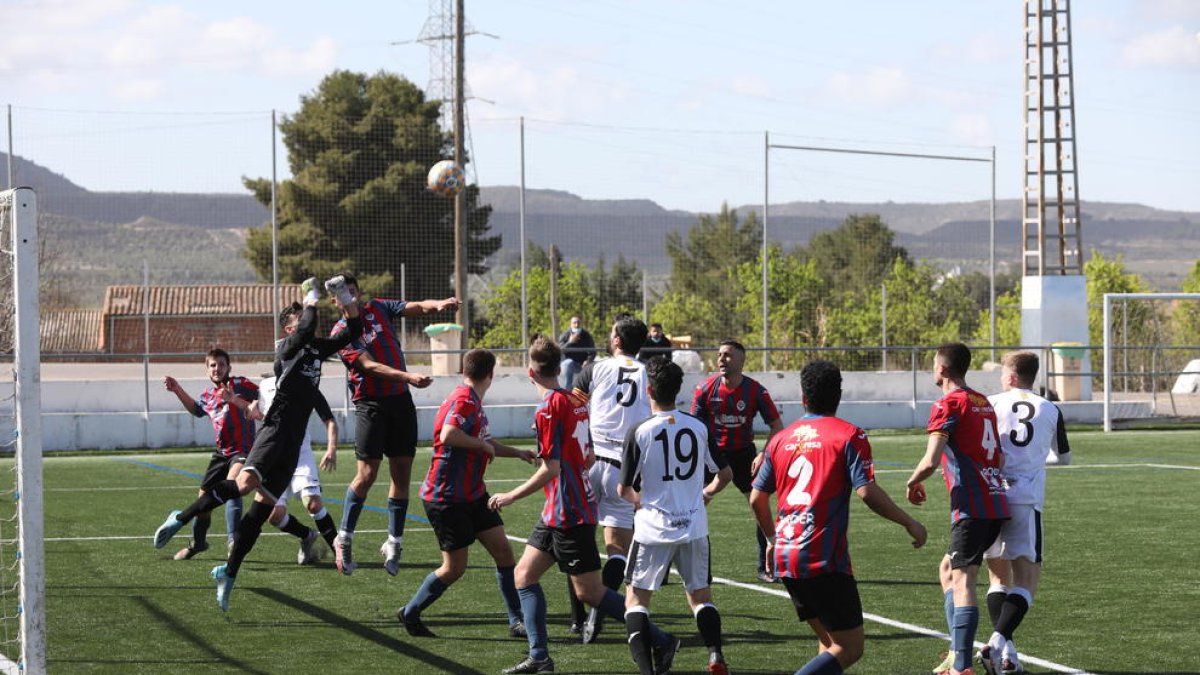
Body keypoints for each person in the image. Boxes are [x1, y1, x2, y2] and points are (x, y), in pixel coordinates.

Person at [154, 276, 362, 610]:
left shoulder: (315, 349)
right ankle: (181, 517)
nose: (303, 317)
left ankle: (230, 574)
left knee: (260, 512)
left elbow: (352, 330)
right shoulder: (286, 349)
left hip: (292, 444)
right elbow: (308, 326)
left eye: (302, 312)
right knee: (243, 484)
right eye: (295, 316)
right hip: (274, 431)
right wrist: (310, 297)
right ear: (287, 328)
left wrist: (343, 296)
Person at [488, 336, 677, 675]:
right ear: (557, 369)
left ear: (530, 372)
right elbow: (585, 456)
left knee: (589, 591)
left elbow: (552, 468)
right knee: (524, 576)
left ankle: (661, 639)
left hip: (568, 511)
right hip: (561, 509)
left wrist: (510, 496)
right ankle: (540, 657)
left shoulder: (548, 407)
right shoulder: (574, 402)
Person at [750, 359, 926, 675]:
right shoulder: (848, 436)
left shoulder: (780, 439)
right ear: (839, 395)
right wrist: (909, 522)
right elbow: (867, 492)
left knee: (831, 642)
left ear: (804, 397)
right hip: (822, 558)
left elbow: (756, 497)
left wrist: (771, 538)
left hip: (786, 554)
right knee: (850, 647)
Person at [396, 348, 537, 639]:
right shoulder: (463, 399)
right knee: (455, 568)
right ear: (491, 374)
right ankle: (410, 612)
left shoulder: (471, 399)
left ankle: (516, 621)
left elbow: (483, 441)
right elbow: (449, 434)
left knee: (503, 551)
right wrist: (481, 446)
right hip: (447, 497)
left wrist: (517, 453)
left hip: (473, 494)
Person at [328, 273, 460, 576]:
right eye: (343, 293)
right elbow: (369, 367)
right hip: (371, 405)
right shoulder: (341, 332)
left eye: (353, 290)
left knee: (401, 474)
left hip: (400, 403)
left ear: (359, 294)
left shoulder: (377, 308)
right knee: (367, 473)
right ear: (335, 301)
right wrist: (409, 377)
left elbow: (415, 307)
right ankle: (344, 536)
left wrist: (438, 304)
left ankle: (394, 541)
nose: (350, 296)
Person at [617, 356, 734, 675]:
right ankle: (715, 655)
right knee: (700, 597)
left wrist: (639, 500)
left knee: (636, 601)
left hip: (653, 529)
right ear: (678, 390)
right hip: (694, 526)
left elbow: (623, 489)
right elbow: (725, 474)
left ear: (649, 390)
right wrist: (705, 494)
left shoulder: (639, 431)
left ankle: (647, 672)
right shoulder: (698, 426)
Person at [906, 342, 1009, 675]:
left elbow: (931, 460)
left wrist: (912, 482)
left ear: (942, 369)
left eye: (934, 364)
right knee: (948, 570)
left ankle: (962, 665)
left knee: (963, 579)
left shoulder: (948, 404)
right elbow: (1000, 456)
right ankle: (956, 652)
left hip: (973, 505)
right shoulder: (983, 402)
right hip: (995, 499)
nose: (932, 369)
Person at [977, 351, 1071, 675]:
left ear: (1012, 376)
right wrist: (1033, 461)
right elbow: (1064, 458)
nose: (1002, 378)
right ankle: (995, 643)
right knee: (1027, 580)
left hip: (991, 495)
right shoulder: (1050, 408)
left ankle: (1008, 656)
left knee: (997, 577)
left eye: (1003, 373)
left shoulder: (989, 403)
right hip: (1026, 498)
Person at [569, 314, 650, 642]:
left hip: (589, 461)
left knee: (576, 538)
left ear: (617, 340)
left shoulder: (595, 367)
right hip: (624, 468)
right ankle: (597, 611)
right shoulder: (649, 373)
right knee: (617, 548)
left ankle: (576, 620)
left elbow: (574, 408)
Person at [690, 339, 784, 581]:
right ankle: (681, 564)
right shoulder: (705, 389)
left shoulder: (756, 391)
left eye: (728, 355)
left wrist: (764, 453)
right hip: (712, 456)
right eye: (720, 354)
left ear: (742, 361)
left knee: (759, 505)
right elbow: (693, 428)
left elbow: (776, 426)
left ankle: (765, 566)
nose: (722, 359)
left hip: (744, 454)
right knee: (692, 507)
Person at [161, 349, 256, 561]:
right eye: (212, 365)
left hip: (242, 450)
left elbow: (262, 399)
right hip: (221, 454)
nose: (217, 369)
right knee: (203, 503)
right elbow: (197, 410)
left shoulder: (241, 385)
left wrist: (242, 403)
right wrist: (177, 389)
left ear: (229, 368)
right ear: (207, 370)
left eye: (221, 364)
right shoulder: (207, 395)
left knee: (233, 485)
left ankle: (234, 541)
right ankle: (198, 544)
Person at [252, 373, 341, 565]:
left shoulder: (307, 385)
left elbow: (330, 420)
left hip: (300, 454)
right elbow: (257, 415)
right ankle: (307, 535)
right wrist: (250, 410)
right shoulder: (264, 385)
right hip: (274, 457)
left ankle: (341, 556)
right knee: (274, 516)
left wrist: (331, 449)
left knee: (313, 504)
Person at [557, 315, 596, 390]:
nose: (576, 325)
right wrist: (570, 342)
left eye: (578, 322)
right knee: (568, 363)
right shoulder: (566, 335)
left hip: (583, 364)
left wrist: (588, 361)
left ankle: (588, 392)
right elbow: (559, 350)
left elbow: (593, 351)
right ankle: (568, 390)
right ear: (571, 324)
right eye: (574, 323)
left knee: (596, 365)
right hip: (570, 364)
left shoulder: (586, 335)